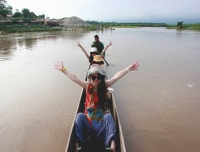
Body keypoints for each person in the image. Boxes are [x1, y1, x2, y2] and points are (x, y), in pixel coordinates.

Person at [55, 61, 139, 152]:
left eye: (98, 77)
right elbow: (74, 78)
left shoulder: (104, 85)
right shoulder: (87, 86)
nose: (96, 79)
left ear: (101, 78)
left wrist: (128, 69)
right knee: (79, 116)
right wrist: (63, 70)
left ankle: (113, 147)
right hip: (88, 122)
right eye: (94, 77)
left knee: (109, 116)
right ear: (90, 77)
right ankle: (77, 146)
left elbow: (116, 77)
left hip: (101, 123)